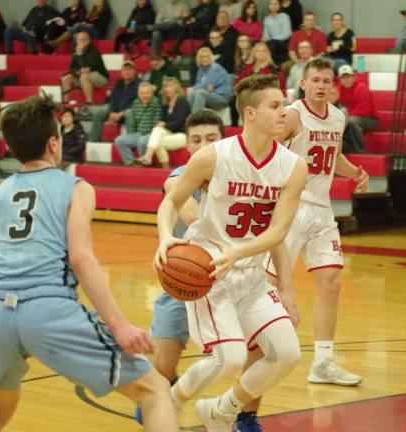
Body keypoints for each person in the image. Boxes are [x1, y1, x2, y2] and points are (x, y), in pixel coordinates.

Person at [0, 95, 178, 432]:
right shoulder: (75, 187)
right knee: (155, 391)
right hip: (48, 310)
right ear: (53, 143)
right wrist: (120, 326)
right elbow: (81, 258)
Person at [154, 73, 308, 431]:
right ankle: (171, 400)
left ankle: (220, 409)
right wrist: (165, 238)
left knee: (288, 354)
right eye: (275, 105)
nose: (284, 110)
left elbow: (279, 232)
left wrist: (283, 287)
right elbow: (171, 202)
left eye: (284, 104)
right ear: (250, 114)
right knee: (229, 357)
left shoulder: (293, 167)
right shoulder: (213, 157)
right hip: (209, 273)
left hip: (251, 276)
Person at [239, 56, 369, 432]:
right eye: (315, 79)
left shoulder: (338, 117)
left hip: (321, 210)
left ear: (334, 85)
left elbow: (333, 159)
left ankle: (323, 362)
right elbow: (265, 145)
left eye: (327, 80)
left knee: (331, 282)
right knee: (269, 286)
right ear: (303, 83)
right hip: (289, 208)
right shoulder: (293, 115)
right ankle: (257, 348)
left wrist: (355, 171)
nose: (321, 85)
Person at [135, 109, 225, 426]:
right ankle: (164, 395)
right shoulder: (179, 174)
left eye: (211, 139)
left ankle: (240, 412)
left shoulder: (238, 175)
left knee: (241, 356)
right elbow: (186, 210)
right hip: (183, 282)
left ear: (223, 140)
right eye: (196, 140)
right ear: (187, 144)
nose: (203, 145)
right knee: (162, 366)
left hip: (227, 285)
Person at [135, 77, 190, 167]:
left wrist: (164, 124)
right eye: (165, 87)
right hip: (171, 132)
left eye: (170, 86)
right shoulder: (166, 103)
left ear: (176, 87)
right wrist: (162, 124)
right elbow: (164, 121)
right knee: (157, 129)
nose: (167, 89)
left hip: (183, 135)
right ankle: (149, 157)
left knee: (157, 142)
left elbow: (179, 123)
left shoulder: (181, 101)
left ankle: (161, 165)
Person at [89, 60, 140, 142]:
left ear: (134, 71)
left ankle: (131, 140)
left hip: (129, 112)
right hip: (116, 111)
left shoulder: (139, 84)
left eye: (130, 69)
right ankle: (94, 140)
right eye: (125, 69)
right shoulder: (118, 83)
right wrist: (112, 112)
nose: (127, 72)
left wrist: (121, 113)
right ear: (121, 72)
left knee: (129, 113)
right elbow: (112, 99)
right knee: (99, 112)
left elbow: (137, 104)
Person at [59, 30, 108, 115]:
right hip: (84, 77)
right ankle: (65, 105)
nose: (81, 42)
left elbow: (89, 67)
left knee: (84, 76)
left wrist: (80, 54)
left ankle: (89, 104)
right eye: (79, 40)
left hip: (99, 76)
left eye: (84, 39)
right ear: (76, 41)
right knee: (66, 78)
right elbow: (72, 67)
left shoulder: (93, 51)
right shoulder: (76, 52)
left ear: (89, 40)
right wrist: (77, 72)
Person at [114, 82, 162, 166]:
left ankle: (144, 164)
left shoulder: (156, 102)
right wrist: (132, 134)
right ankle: (132, 163)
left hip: (151, 134)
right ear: (138, 94)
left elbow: (156, 122)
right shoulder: (135, 103)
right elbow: (133, 122)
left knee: (141, 141)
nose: (144, 95)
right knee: (119, 140)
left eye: (147, 92)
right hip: (139, 134)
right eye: (142, 93)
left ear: (151, 93)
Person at [231, 42, 279, 126]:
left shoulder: (272, 69)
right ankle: (234, 125)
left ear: (267, 53)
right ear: (254, 53)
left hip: (264, 94)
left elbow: (275, 86)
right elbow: (238, 82)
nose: (261, 53)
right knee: (233, 100)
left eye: (264, 51)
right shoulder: (246, 67)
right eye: (258, 51)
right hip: (247, 93)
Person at [336, 64, 379, 148]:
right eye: (343, 77)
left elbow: (364, 111)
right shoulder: (337, 90)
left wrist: (345, 118)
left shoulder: (361, 87)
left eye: (348, 77)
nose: (346, 80)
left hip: (370, 119)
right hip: (349, 118)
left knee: (352, 121)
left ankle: (359, 150)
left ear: (353, 77)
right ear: (340, 79)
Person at [187, 47, 232, 113]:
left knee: (199, 92)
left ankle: (193, 119)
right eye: (201, 57)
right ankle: (186, 117)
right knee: (192, 92)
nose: (203, 59)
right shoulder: (201, 69)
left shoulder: (215, 67)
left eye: (206, 57)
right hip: (211, 95)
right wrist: (204, 88)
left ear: (210, 57)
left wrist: (199, 88)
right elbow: (199, 84)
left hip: (222, 98)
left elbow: (204, 85)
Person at [262, 0, 292, 65]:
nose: (273, 6)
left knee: (272, 43)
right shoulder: (267, 19)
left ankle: (267, 65)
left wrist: (271, 39)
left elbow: (287, 34)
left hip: (284, 43)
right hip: (272, 43)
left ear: (279, 5)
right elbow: (266, 35)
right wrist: (265, 39)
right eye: (271, 4)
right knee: (258, 43)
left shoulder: (284, 16)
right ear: (269, 6)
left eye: (276, 4)